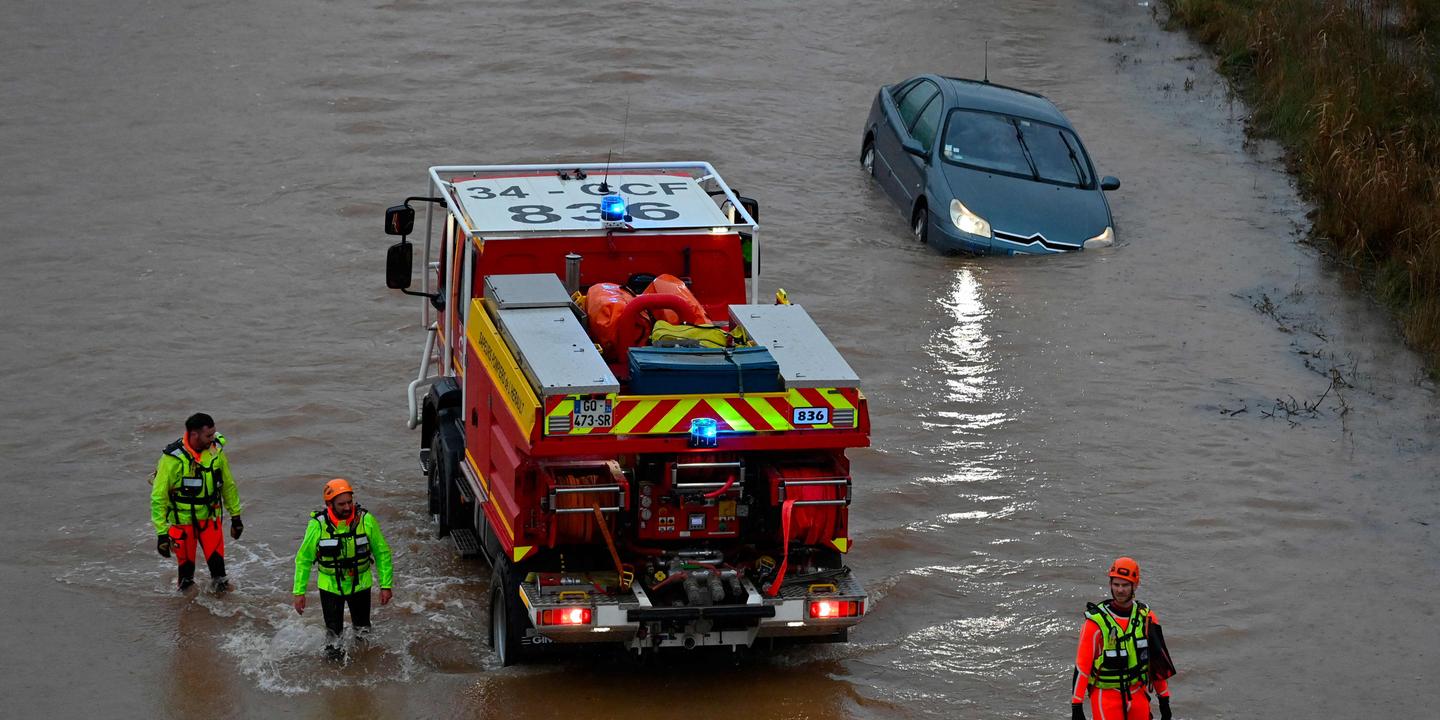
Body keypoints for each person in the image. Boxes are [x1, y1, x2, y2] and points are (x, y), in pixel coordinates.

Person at [292, 478, 394, 660]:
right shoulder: (317, 525)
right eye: (342, 504)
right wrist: (299, 592)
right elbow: (304, 559)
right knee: (333, 635)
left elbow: (382, 553)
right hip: (330, 586)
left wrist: (386, 585)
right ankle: (334, 676)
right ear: (329, 504)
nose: (348, 508)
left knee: (363, 631)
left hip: (360, 584)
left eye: (350, 502)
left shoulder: (366, 520)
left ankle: (364, 666)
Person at [1070, 557, 1175, 720]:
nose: (1120, 590)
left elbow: (1157, 663)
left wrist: (1164, 700)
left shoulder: (1147, 617)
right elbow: (1082, 667)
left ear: (1136, 585)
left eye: (1125, 585)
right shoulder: (1095, 623)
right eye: (1116, 584)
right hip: (1105, 696)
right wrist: (1076, 706)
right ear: (1110, 585)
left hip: (1137, 693)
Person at [151, 412, 244, 592]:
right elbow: (158, 497)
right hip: (182, 523)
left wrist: (236, 517)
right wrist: (162, 533)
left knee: (220, 576)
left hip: (211, 519)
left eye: (213, 434)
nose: (212, 439)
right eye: (208, 436)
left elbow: (228, 485)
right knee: (186, 578)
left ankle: (225, 614)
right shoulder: (171, 460)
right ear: (194, 435)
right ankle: (187, 616)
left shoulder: (215, 452)